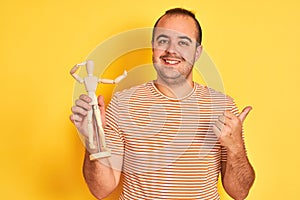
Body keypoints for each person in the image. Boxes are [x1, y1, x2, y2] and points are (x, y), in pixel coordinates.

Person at [70, 8, 255, 200]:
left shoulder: (222, 106)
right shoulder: (122, 103)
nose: (171, 50)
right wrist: (92, 141)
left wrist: (236, 147)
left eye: (183, 42)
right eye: (163, 40)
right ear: (153, 47)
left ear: (198, 52)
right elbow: (101, 190)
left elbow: (239, 193)